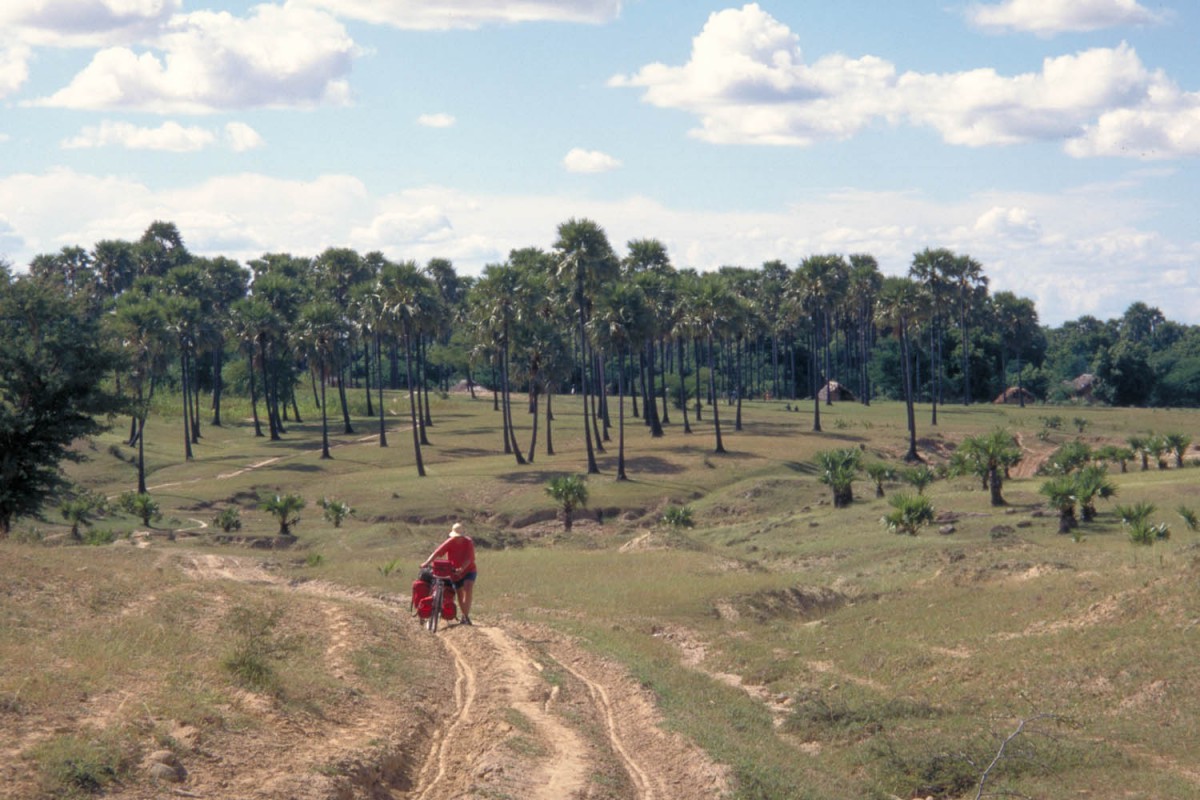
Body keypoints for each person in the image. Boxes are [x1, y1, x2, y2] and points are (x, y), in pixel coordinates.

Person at [421, 522, 476, 625]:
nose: (457, 538)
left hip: (469, 570)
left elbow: (470, 559)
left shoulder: (468, 542)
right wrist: (426, 563)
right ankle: (465, 616)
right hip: (454, 572)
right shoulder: (450, 542)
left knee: (468, 588)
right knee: (459, 593)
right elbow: (436, 553)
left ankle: (465, 616)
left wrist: (462, 568)